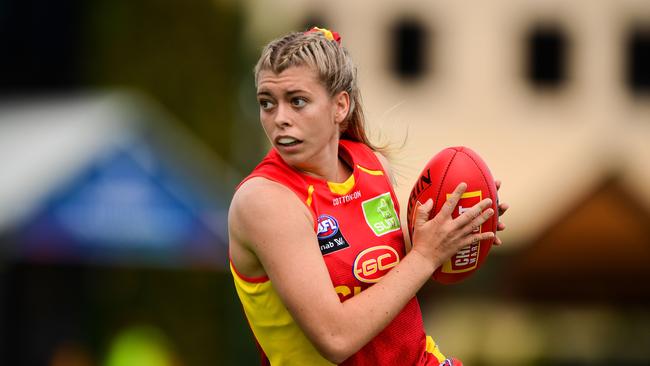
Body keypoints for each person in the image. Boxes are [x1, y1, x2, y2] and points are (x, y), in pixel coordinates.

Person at [228, 27, 508, 366]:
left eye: (297, 101)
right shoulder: (265, 200)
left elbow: (387, 269)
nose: (280, 119)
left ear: (340, 106)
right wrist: (425, 255)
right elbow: (335, 337)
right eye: (266, 103)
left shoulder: (373, 166)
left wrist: (454, 232)